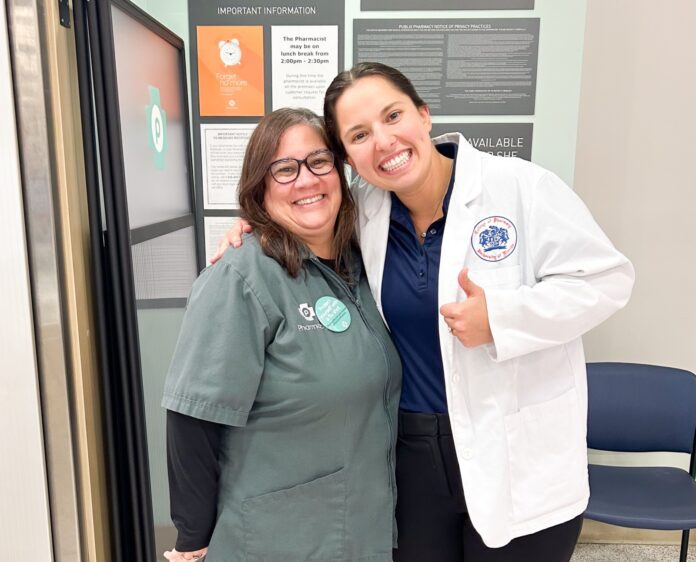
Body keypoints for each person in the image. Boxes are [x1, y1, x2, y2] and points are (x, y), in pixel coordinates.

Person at [216, 63, 634, 562]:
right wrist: (256, 223)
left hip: (514, 455)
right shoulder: (362, 213)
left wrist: (501, 318)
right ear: (348, 157)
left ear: (424, 114)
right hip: (411, 459)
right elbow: (304, 216)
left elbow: (608, 280)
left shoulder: (522, 188)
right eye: (359, 135)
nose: (385, 141)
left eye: (393, 116)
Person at [162, 107, 401, 562]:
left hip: (360, 527)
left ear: (339, 170)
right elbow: (193, 419)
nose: (306, 180)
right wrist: (193, 540)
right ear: (260, 186)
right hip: (276, 538)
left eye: (318, 162)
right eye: (284, 169)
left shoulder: (366, 262)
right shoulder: (240, 278)